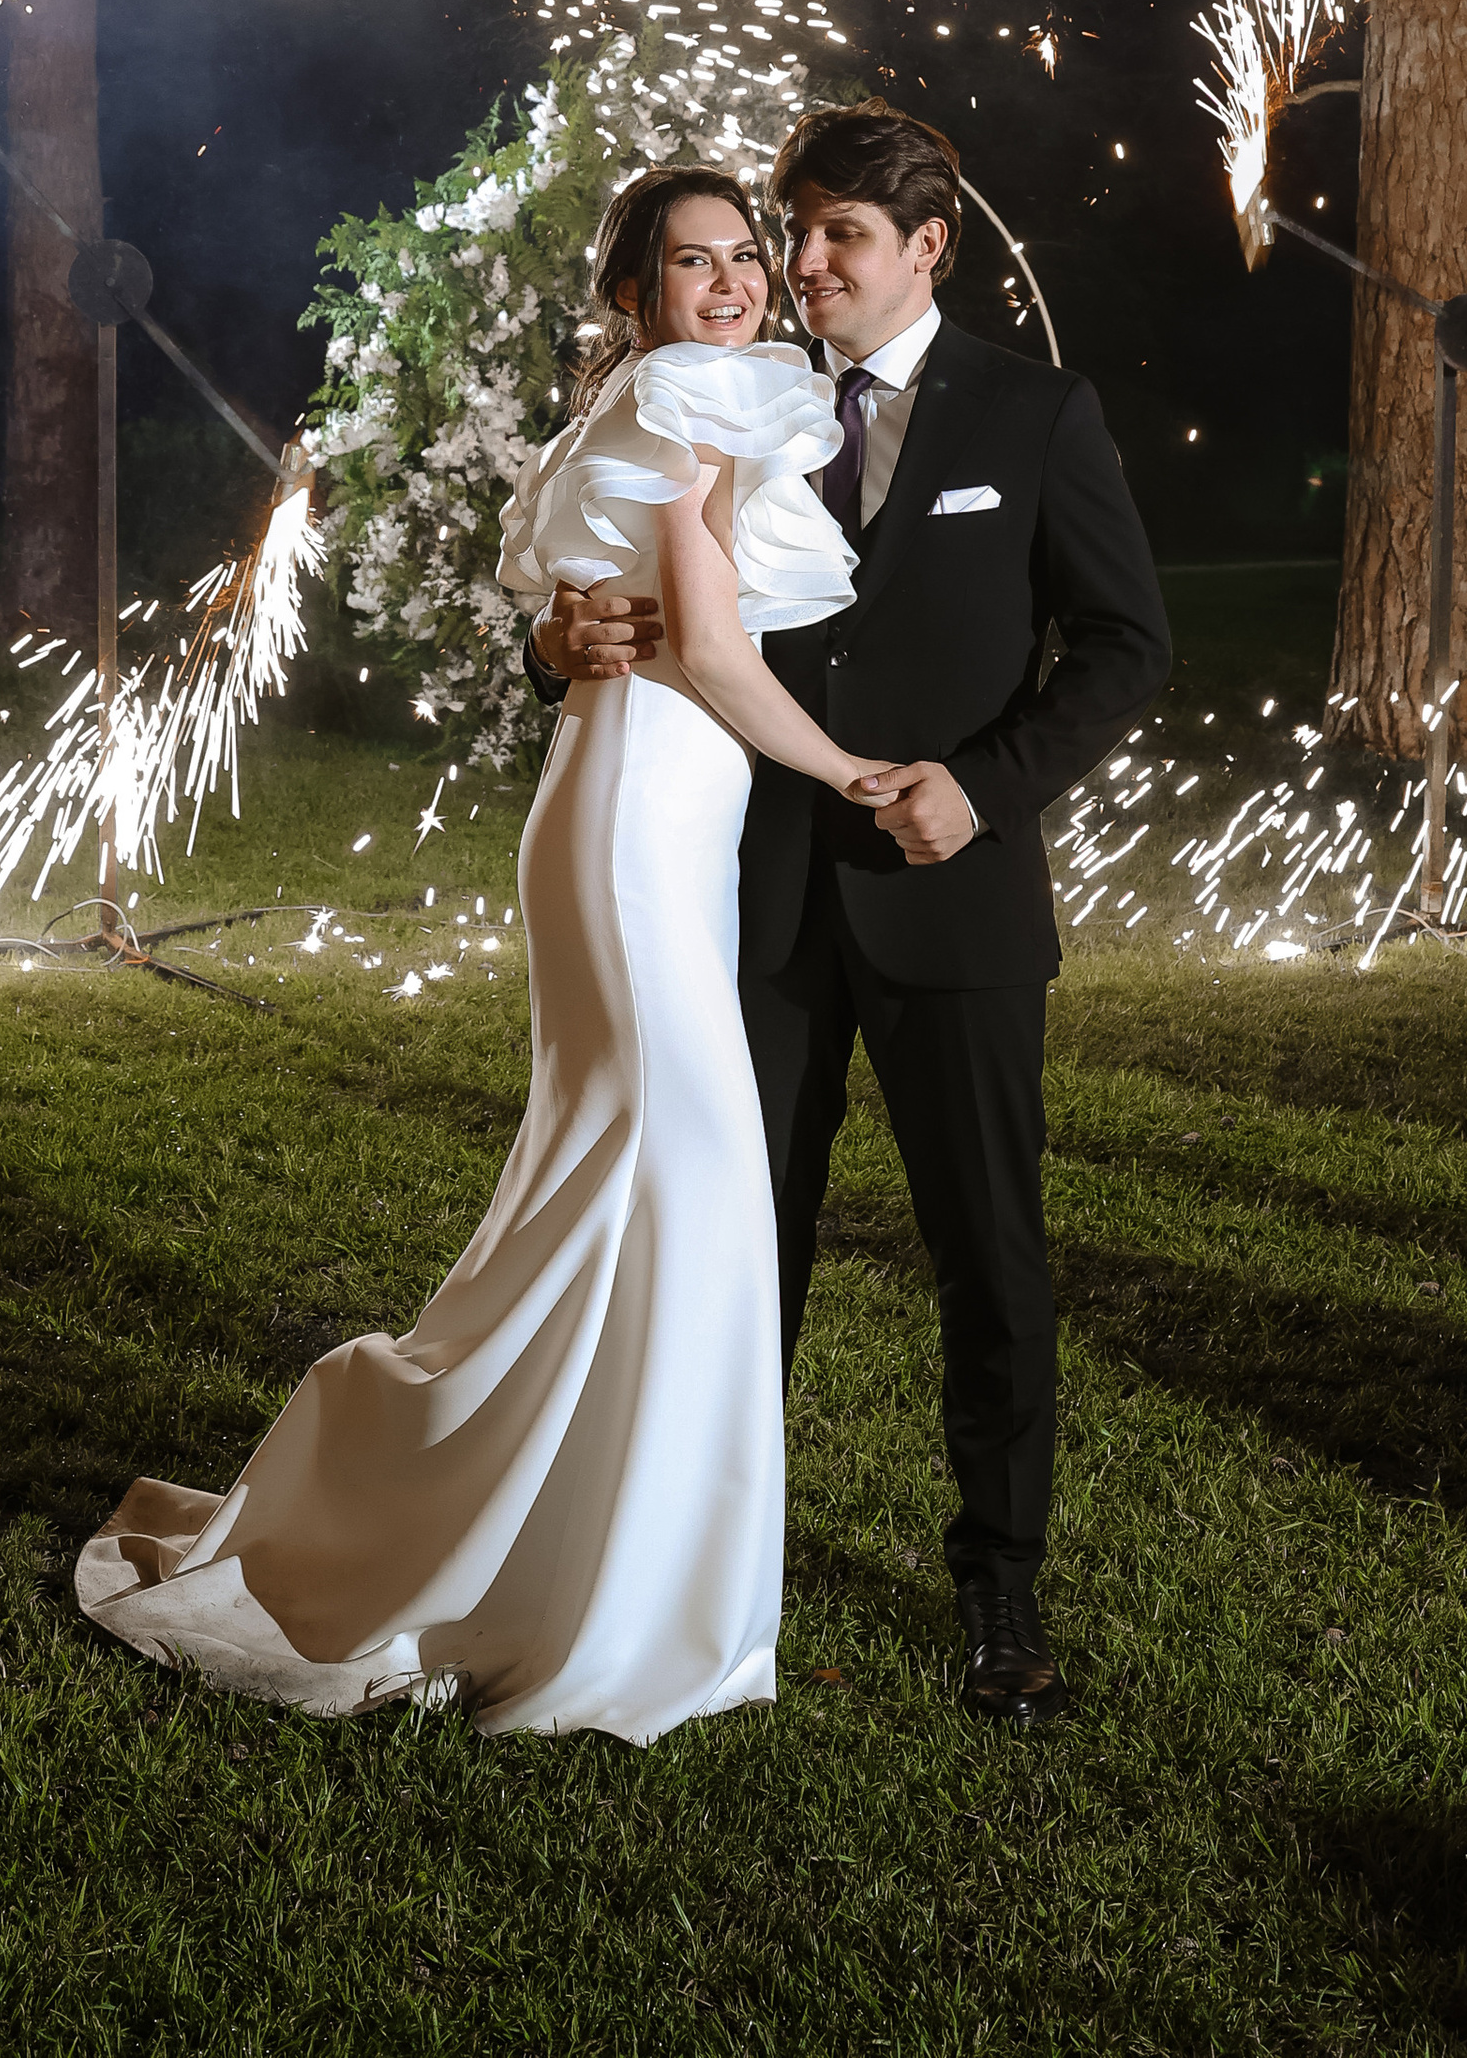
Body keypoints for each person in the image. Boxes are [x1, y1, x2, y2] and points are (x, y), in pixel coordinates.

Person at [75, 165, 901, 1739]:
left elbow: (650, 614)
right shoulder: (685, 404)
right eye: (690, 261)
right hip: (639, 820)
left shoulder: (679, 401)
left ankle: (581, 1558)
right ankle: (604, 1593)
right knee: (686, 1171)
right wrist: (863, 775)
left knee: (629, 1187)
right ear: (634, 293)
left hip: (651, 814)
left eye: (745, 257)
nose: (731, 283)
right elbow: (715, 650)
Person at [529, 100, 1170, 1726]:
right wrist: (567, 635)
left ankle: (1001, 1596)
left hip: (953, 901)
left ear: (927, 250)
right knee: (743, 1239)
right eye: (786, 233)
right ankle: (708, 1563)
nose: (797, 263)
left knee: (989, 1252)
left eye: (834, 238)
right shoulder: (735, 398)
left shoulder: (1037, 414)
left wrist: (993, 783)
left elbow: (1124, 648)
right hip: (753, 893)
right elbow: (654, 600)